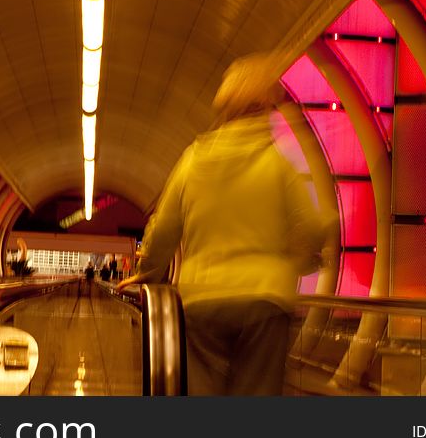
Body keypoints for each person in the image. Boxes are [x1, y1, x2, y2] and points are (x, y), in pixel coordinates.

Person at [118, 51, 332, 395]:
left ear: (225, 108)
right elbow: (312, 225)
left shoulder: (194, 160)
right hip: (265, 299)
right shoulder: (278, 163)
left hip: (202, 297)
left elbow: (164, 228)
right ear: (266, 108)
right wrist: (299, 262)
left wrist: (150, 272)